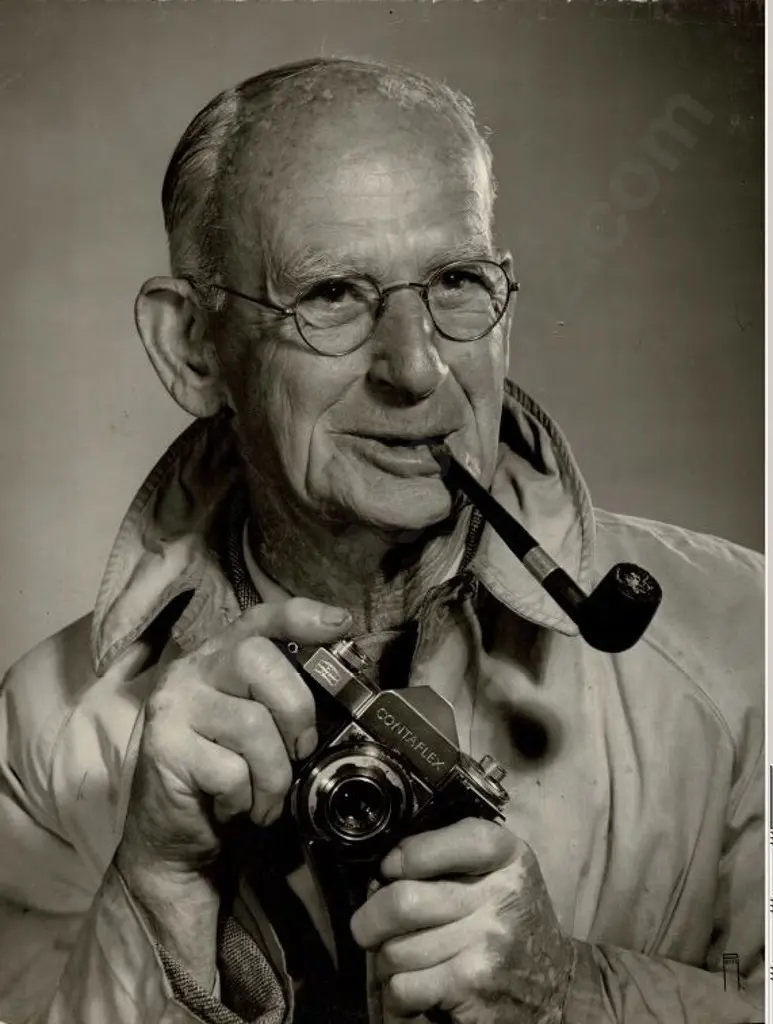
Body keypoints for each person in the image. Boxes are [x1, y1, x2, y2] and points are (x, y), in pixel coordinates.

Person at [0, 57, 763, 1024]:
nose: (416, 368)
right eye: (332, 295)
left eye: (457, 281)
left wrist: (573, 992)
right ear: (192, 347)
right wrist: (157, 890)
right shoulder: (41, 730)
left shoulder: (745, 644)